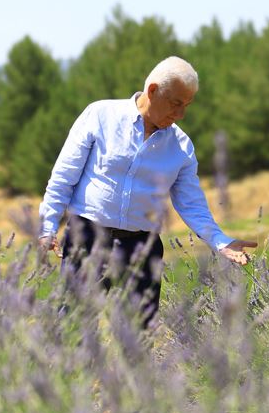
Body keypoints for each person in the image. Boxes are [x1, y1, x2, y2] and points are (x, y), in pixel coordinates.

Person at [38, 56, 257, 327]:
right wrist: (47, 226)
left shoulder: (181, 146)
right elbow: (63, 176)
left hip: (142, 249)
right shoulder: (100, 116)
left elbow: (192, 204)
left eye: (186, 106)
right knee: (73, 330)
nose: (180, 115)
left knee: (139, 339)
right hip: (87, 241)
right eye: (176, 103)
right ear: (153, 90)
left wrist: (221, 241)